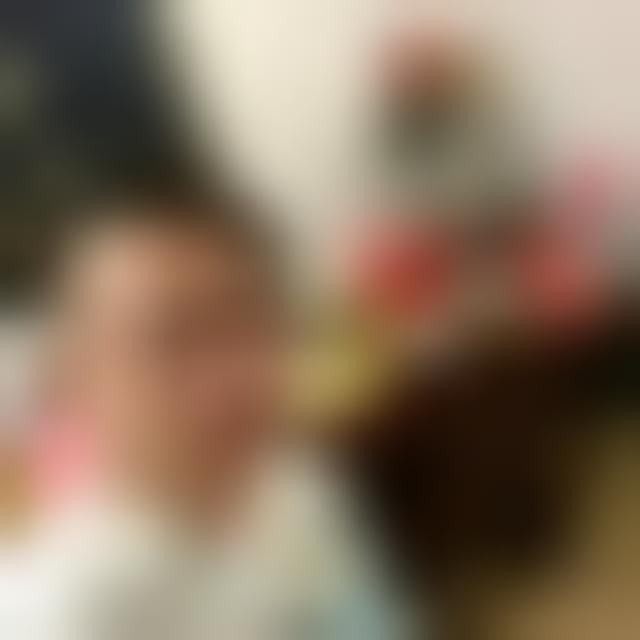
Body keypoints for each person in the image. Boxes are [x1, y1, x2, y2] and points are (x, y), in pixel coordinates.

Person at [7, 189, 402, 640]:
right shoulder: (55, 615)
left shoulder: (297, 486)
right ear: (77, 381)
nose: (232, 377)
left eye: (248, 320)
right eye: (172, 340)